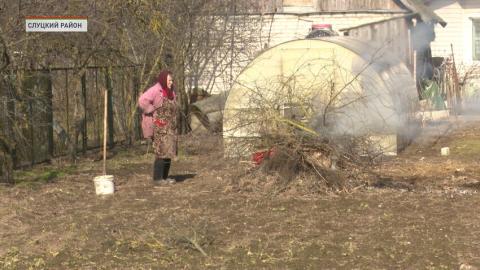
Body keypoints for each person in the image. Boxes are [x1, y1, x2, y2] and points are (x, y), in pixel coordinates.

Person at [138, 70, 178, 185]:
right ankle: (157, 178)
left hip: (170, 127)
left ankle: (165, 177)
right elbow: (142, 100)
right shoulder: (156, 89)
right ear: (164, 79)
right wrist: (152, 110)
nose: (171, 82)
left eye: (172, 80)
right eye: (169, 80)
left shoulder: (171, 91)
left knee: (169, 152)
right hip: (159, 127)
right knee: (161, 152)